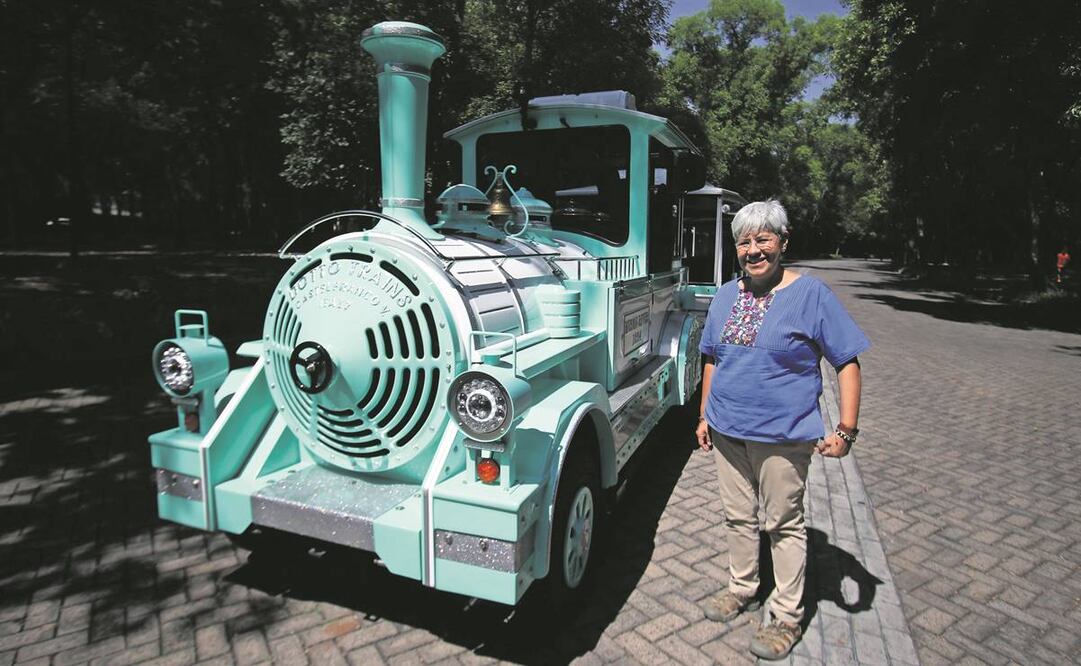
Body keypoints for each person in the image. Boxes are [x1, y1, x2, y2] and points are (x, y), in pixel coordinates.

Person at [694, 200, 870, 661]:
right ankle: (743, 587)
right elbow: (712, 356)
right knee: (738, 516)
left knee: (782, 523)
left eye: (763, 239)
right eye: (744, 242)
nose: (753, 250)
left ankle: (787, 615)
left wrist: (846, 429)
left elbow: (846, 361)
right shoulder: (727, 295)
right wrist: (704, 414)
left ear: (783, 242)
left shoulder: (812, 295)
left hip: (783, 436)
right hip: (729, 432)